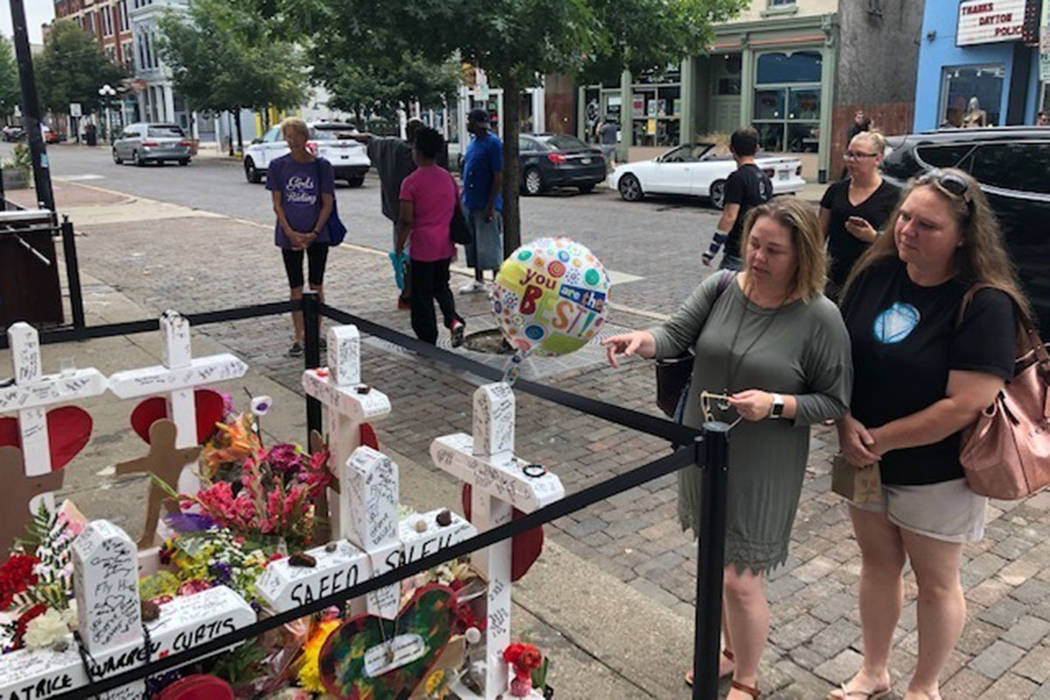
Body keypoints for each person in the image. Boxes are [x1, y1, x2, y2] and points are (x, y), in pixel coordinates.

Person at [603, 198, 852, 700]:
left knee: (741, 580)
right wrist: (641, 339)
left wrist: (776, 403)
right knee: (716, 564)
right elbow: (675, 335)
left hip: (765, 461)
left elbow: (834, 399)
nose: (758, 258)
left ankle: (747, 679)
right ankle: (729, 651)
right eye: (754, 244)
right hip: (704, 448)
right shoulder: (721, 287)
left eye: (773, 251)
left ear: (802, 256)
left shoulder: (820, 316)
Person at [831, 168, 1027, 700]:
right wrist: (844, 419)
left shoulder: (985, 303)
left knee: (936, 582)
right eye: (905, 218)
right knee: (876, 567)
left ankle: (924, 686)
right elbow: (839, 358)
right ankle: (873, 670)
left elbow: (966, 403)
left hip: (938, 472)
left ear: (964, 236)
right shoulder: (876, 274)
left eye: (927, 226)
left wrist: (883, 438)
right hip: (861, 455)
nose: (907, 232)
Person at [267, 117, 335, 358]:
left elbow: (327, 202)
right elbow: (277, 203)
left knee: (316, 284)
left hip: (318, 233)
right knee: (295, 285)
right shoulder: (278, 166)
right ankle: (299, 336)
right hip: (289, 234)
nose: (291, 141)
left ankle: (315, 332)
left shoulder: (321, 166)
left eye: (295, 136)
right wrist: (290, 232)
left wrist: (314, 232)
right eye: (288, 136)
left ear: (305, 138)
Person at [396, 127, 466, 346]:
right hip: (445, 244)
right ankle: (453, 320)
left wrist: (399, 245)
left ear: (419, 151)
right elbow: (456, 210)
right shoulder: (448, 178)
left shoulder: (411, 182)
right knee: (441, 286)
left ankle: (428, 340)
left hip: (422, 247)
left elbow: (406, 220)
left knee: (421, 295)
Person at [351, 118, 426, 310]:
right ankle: (416, 292)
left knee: (407, 255)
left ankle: (409, 293)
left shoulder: (393, 148)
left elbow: (370, 139)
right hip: (420, 217)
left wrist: (351, 136)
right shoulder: (421, 155)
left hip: (403, 215)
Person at [820, 130, 900, 301]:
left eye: (859, 155)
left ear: (877, 159)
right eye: (849, 154)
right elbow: (818, 236)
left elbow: (899, 241)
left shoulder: (894, 195)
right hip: (834, 278)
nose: (851, 160)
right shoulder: (835, 191)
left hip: (872, 278)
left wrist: (872, 236)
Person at [702, 128, 773, 270]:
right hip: (756, 248)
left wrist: (712, 250)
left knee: (724, 289)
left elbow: (729, 216)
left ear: (731, 149)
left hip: (737, 250)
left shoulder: (737, 178)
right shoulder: (765, 179)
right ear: (757, 149)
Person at [459, 108, 504, 293]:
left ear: (477, 123)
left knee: (489, 244)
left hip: (486, 203)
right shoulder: (473, 143)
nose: (467, 124)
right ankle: (478, 280)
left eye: (469, 120)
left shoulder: (494, 144)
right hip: (470, 201)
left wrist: (491, 205)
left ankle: (497, 283)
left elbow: (498, 176)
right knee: (472, 243)